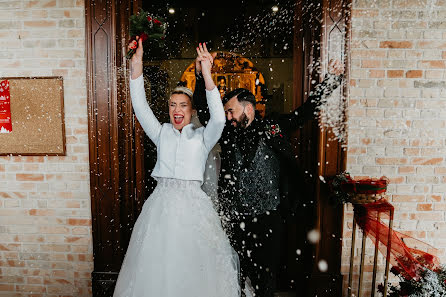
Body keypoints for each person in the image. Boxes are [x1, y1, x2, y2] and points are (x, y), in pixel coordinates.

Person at [193, 45, 344, 297]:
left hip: (269, 217)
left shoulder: (274, 126)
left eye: (231, 110)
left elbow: (305, 111)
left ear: (248, 108)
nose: (228, 116)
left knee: (267, 275)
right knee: (234, 272)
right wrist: (201, 75)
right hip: (235, 216)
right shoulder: (227, 132)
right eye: (227, 111)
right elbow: (206, 112)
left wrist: (331, 80)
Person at [113, 39, 240, 297]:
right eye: (172, 105)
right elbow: (139, 106)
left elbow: (218, 117)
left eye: (182, 105)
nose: (176, 110)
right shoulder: (161, 133)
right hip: (161, 207)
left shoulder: (204, 137)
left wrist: (207, 74)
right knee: (158, 269)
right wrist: (136, 64)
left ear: (191, 111)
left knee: (194, 268)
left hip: (194, 208)